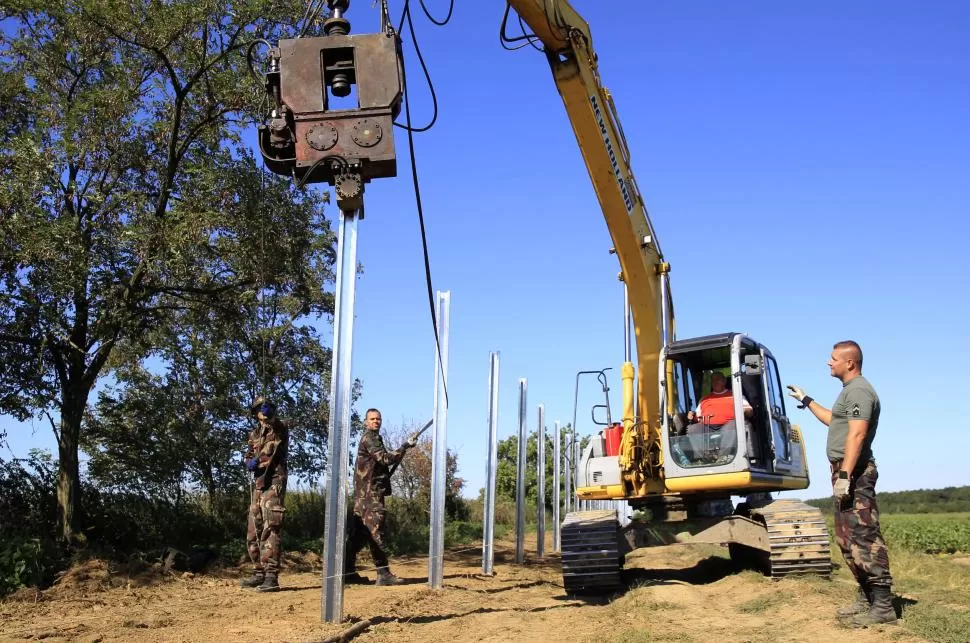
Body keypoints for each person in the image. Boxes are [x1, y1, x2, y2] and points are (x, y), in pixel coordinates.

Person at [787, 340, 896, 627]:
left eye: (833, 358)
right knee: (846, 539)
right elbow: (833, 420)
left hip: (855, 473)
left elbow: (857, 435)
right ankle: (868, 596)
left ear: (850, 363)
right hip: (844, 472)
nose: (828, 362)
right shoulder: (848, 392)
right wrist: (807, 400)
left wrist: (846, 475)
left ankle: (883, 605)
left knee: (865, 537)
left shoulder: (859, 390)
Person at [344, 408, 417, 586]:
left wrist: (402, 449)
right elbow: (384, 458)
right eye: (372, 419)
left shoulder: (374, 438)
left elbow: (381, 461)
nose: (376, 421)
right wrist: (404, 446)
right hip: (370, 496)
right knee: (376, 532)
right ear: (366, 422)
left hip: (364, 495)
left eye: (378, 419)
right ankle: (383, 573)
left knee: (360, 535)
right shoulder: (370, 438)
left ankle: (347, 572)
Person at [240, 397, 289, 592]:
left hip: (274, 484)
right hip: (258, 485)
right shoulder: (253, 434)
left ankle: (271, 576)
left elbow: (277, 425)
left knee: (271, 527)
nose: (263, 411)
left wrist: (272, 416)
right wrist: (248, 462)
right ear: (255, 413)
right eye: (259, 409)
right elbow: (248, 456)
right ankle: (258, 573)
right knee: (254, 528)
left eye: (266, 408)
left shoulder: (279, 428)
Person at [684, 371, 752, 458]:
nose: (715, 381)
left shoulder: (736, 395)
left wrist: (744, 411)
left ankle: (723, 457)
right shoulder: (704, 399)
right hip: (706, 427)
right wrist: (692, 415)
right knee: (693, 429)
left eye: (718, 379)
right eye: (713, 380)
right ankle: (703, 458)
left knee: (734, 425)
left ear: (724, 381)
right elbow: (696, 417)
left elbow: (749, 410)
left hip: (727, 425)